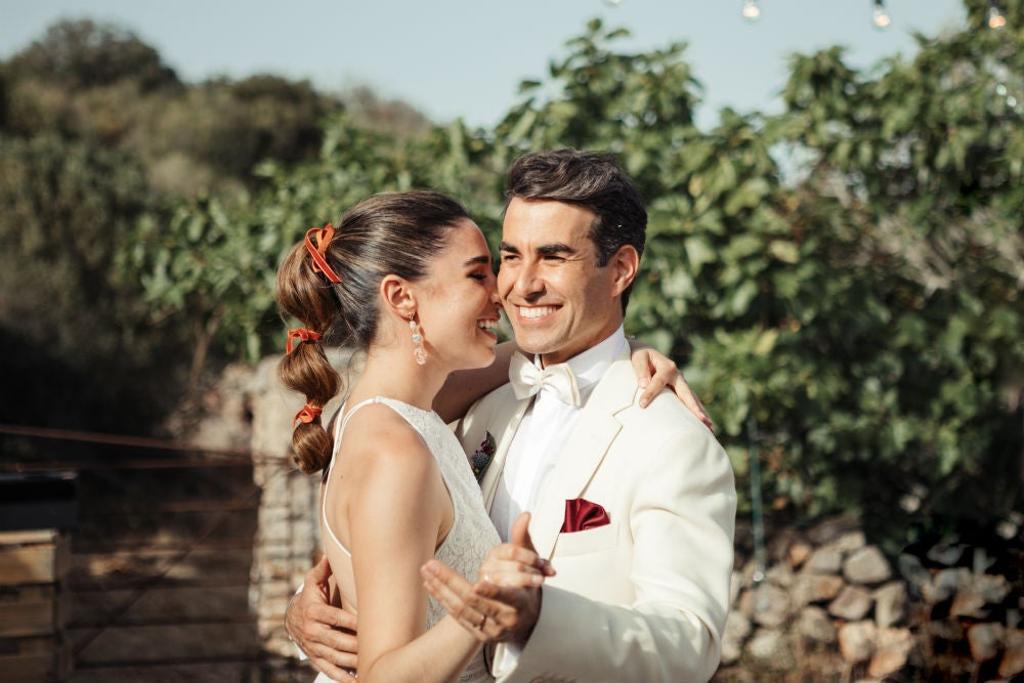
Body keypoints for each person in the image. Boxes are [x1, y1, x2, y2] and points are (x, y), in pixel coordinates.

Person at [278, 189, 700, 683]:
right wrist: (480, 606)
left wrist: (631, 351)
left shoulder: (392, 409)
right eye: (477, 275)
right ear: (400, 297)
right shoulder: (395, 452)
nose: (501, 292)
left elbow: (555, 349)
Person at [427, 150, 737, 682]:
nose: (522, 285)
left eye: (552, 257)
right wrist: (314, 602)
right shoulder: (479, 408)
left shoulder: (672, 441)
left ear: (619, 270)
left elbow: (689, 643)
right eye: (511, 255)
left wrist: (538, 621)